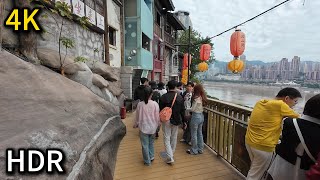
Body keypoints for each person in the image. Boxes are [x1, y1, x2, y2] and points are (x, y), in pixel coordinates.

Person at [245, 87, 302, 180]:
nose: (295, 105)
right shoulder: (280, 105)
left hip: (250, 142)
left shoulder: (261, 102)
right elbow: (299, 118)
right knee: (255, 175)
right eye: (295, 101)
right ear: (287, 98)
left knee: (255, 169)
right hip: (263, 146)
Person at [267, 94, 320, 180]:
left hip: (277, 171)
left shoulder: (289, 122)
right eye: (295, 101)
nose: (295, 104)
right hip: (302, 175)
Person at [133, 87, 160, 166]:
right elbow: (157, 116)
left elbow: (137, 116)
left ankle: (147, 161)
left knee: (145, 145)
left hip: (143, 127)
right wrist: (158, 124)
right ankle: (151, 156)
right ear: (151, 94)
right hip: (153, 127)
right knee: (151, 143)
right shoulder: (155, 104)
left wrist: (136, 123)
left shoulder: (140, 104)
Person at [159, 80, 185, 164]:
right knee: (174, 137)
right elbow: (182, 111)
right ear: (175, 87)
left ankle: (170, 157)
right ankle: (171, 153)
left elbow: (161, 110)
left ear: (168, 87)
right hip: (176, 119)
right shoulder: (180, 97)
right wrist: (184, 121)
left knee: (166, 137)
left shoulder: (163, 97)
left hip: (166, 119)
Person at [186, 84, 207, 155]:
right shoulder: (202, 97)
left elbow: (192, 109)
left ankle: (194, 150)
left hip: (196, 117)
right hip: (201, 116)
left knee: (194, 133)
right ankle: (200, 149)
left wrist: (186, 109)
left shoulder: (196, 98)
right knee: (200, 133)